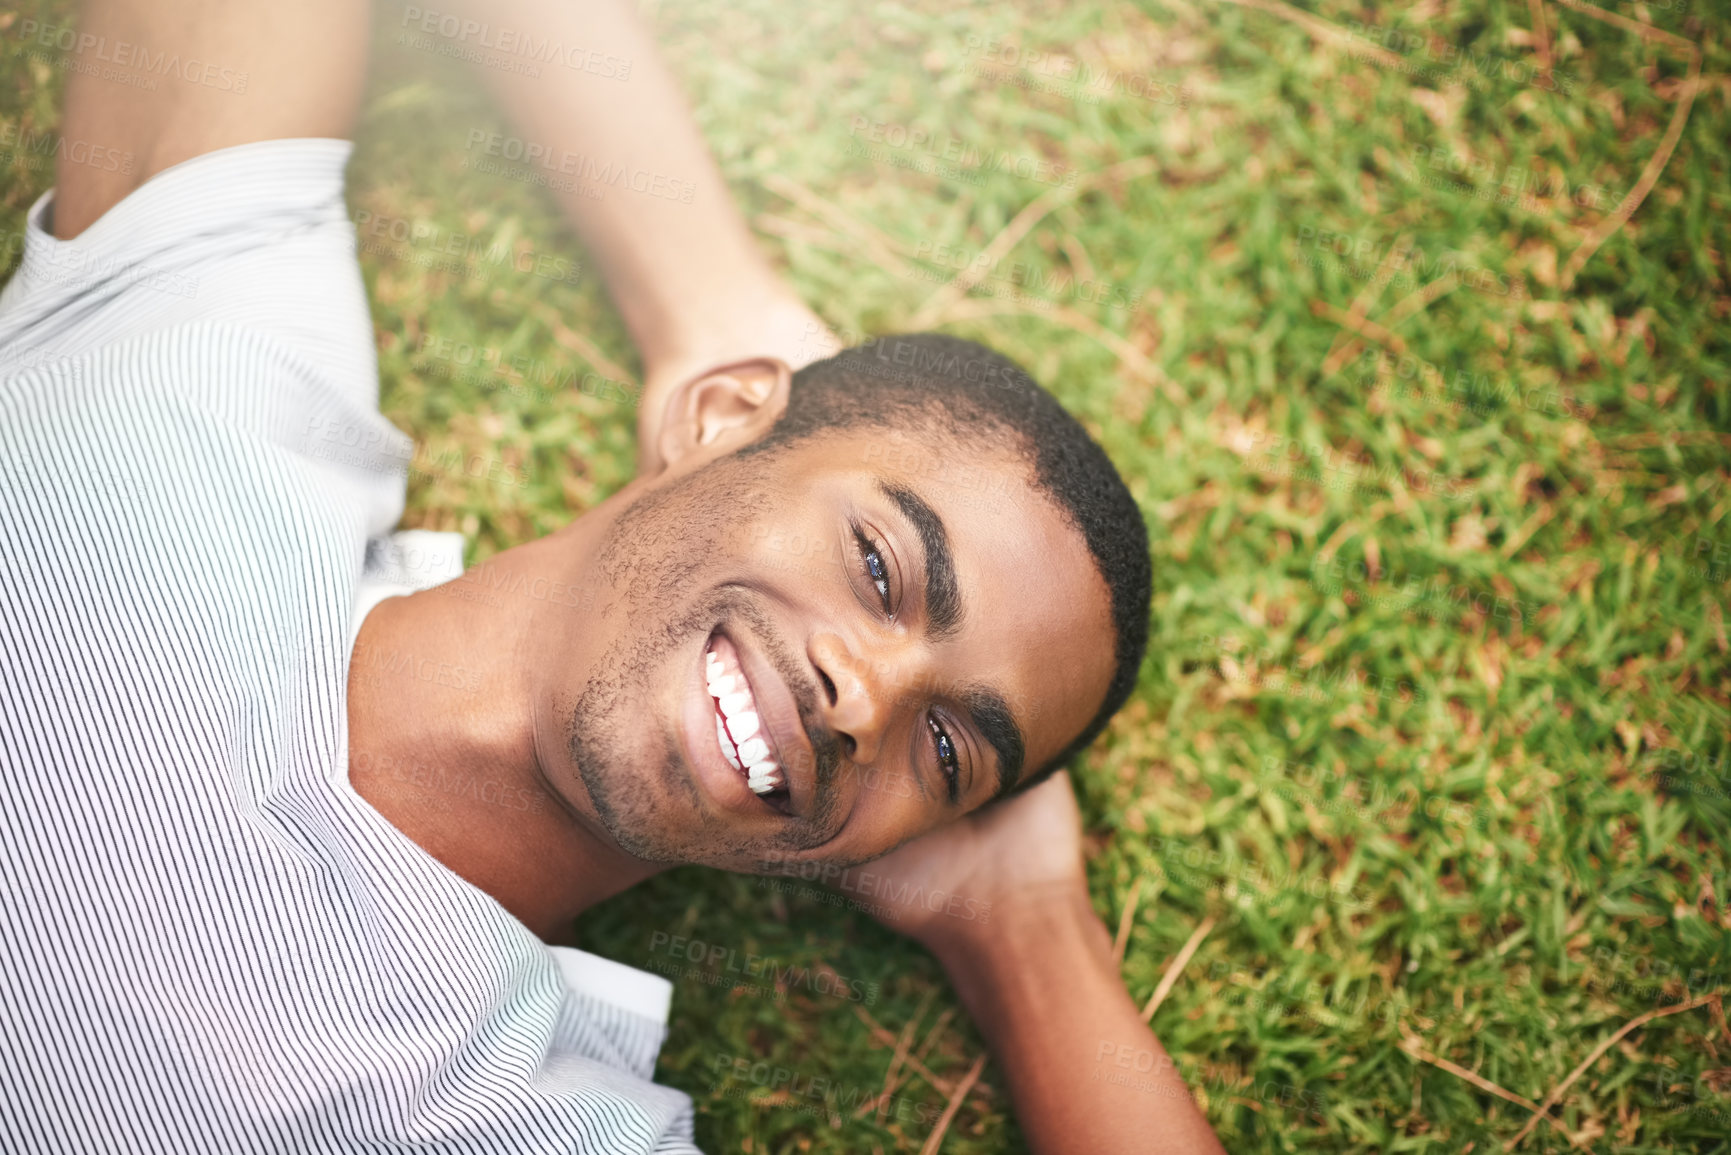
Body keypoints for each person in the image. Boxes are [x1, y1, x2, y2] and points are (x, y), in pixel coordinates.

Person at [0, 1, 1225, 1152]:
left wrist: (1025, 932)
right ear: (725, 416)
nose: (873, 697)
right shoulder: (209, 381)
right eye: (879, 565)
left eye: (951, 751)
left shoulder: (523, 1115)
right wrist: (708, 297)